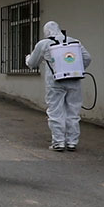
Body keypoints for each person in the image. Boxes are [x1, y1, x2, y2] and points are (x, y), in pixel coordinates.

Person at [26, 21, 91, 151]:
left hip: (55, 83)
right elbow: (87, 58)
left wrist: (28, 58)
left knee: (55, 112)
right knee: (73, 112)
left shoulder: (44, 44)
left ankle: (58, 142)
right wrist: (76, 68)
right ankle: (72, 142)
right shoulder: (74, 42)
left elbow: (33, 63)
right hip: (74, 80)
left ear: (47, 32)